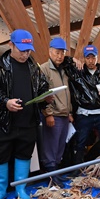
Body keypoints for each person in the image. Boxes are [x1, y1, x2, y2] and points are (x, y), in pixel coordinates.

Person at [0, 29, 51, 199]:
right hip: (3, 122)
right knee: (0, 155)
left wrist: (47, 97)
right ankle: (0, 191)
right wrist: (5, 102)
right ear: (11, 45)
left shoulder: (34, 68)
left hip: (28, 121)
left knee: (24, 155)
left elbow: (43, 88)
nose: (25, 54)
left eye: (28, 50)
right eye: (21, 50)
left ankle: (21, 188)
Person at [62, 45, 100, 179]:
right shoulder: (78, 72)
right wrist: (73, 59)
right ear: (84, 59)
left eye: (93, 57)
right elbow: (63, 61)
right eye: (88, 57)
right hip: (84, 113)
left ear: (97, 57)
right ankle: (76, 170)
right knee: (79, 143)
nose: (91, 61)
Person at [39, 38, 72, 187]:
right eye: (57, 52)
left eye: (62, 53)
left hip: (64, 115)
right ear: (50, 51)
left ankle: (56, 173)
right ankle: (51, 177)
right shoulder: (44, 69)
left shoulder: (65, 70)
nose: (60, 56)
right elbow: (43, 94)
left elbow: (68, 93)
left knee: (60, 147)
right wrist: (48, 114)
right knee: (50, 147)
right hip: (54, 115)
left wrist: (69, 112)